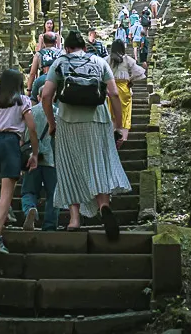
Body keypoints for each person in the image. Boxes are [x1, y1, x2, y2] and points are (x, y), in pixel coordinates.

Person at [41, 30, 130, 237]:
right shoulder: (99, 62)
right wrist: (119, 124)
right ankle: (103, 206)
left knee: (70, 167)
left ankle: (74, 219)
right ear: (84, 46)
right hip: (97, 121)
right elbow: (114, 93)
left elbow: (46, 96)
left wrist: (51, 122)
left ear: (67, 48)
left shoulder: (60, 63)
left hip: (68, 121)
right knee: (98, 164)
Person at [0, 69, 39, 254]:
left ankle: (3, 217)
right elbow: (32, 128)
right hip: (10, 142)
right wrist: (34, 153)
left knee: (4, 188)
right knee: (7, 191)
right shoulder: (22, 100)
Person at [21, 98, 59, 231]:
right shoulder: (58, 113)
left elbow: (23, 134)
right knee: (53, 194)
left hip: (32, 158)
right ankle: (50, 225)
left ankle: (30, 208)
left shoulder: (29, 112)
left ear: (38, 97)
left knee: (29, 191)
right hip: (51, 160)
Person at [107, 39, 146, 130]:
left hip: (110, 89)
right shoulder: (127, 59)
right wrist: (130, 79)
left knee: (111, 112)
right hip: (124, 88)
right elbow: (139, 72)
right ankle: (123, 137)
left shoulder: (107, 59)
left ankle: (112, 134)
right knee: (124, 113)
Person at [28, 32, 62, 96]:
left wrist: (29, 89)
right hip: (59, 79)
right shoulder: (61, 53)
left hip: (44, 78)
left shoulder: (39, 54)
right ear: (55, 42)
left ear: (43, 42)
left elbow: (32, 73)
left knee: (34, 99)